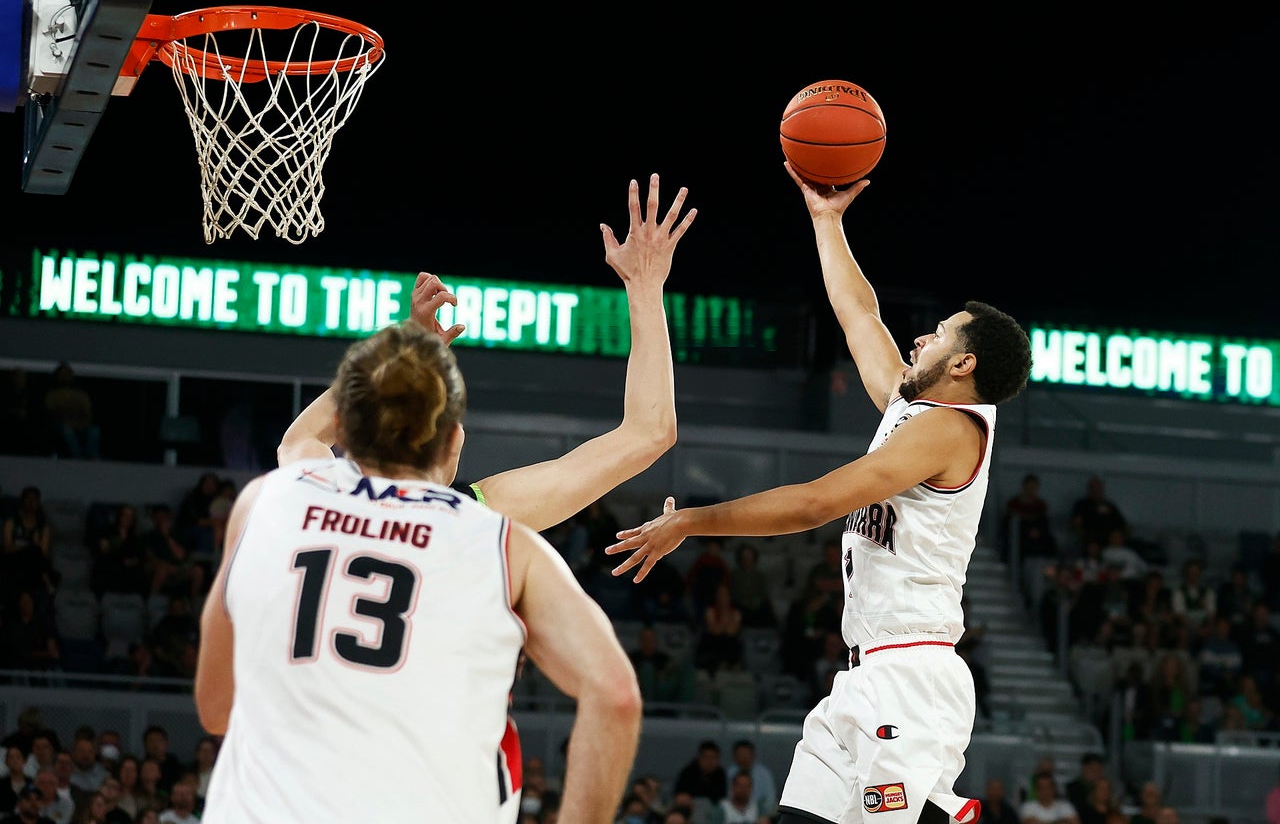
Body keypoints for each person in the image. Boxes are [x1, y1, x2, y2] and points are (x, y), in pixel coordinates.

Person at [608, 165, 1033, 824]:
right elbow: (860, 312)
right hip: (863, 678)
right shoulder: (911, 408)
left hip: (912, 682)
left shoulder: (949, 430)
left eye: (940, 332)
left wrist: (692, 520)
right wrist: (827, 221)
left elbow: (813, 502)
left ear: (963, 364)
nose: (920, 336)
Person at [273, 173, 696, 822]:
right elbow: (648, 432)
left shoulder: (316, 492)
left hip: (321, 782)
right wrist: (644, 287)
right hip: (443, 787)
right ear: (455, 442)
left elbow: (302, 434)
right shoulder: (485, 519)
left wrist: (408, 351)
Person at [194, 318, 643, 822]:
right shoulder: (498, 538)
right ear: (453, 440)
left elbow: (215, 708)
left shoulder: (270, 499)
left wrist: (405, 346)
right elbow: (617, 695)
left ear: (343, 424)